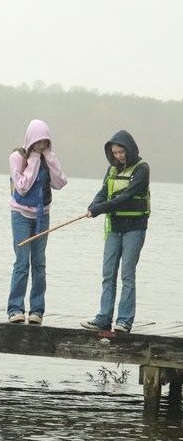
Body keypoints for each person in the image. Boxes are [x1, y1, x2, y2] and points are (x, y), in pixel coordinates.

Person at [81, 130, 150, 333]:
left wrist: (100, 209)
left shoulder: (142, 169)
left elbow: (126, 196)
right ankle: (103, 318)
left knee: (127, 275)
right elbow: (103, 192)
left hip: (134, 228)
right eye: (115, 152)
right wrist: (93, 205)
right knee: (108, 274)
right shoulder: (111, 170)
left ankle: (124, 321)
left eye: (121, 151)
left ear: (129, 149)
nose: (119, 155)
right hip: (114, 229)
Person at [7, 119, 68, 324]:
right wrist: (33, 159)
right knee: (22, 263)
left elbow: (60, 183)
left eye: (45, 142)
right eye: (39, 142)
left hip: (43, 216)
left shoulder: (47, 157)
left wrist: (49, 158)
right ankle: (15, 309)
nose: (42, 146)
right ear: (31, 140)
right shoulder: (17, 157)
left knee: (39, 264)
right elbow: (22, 186)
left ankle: (37, 311)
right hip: (21, 216)